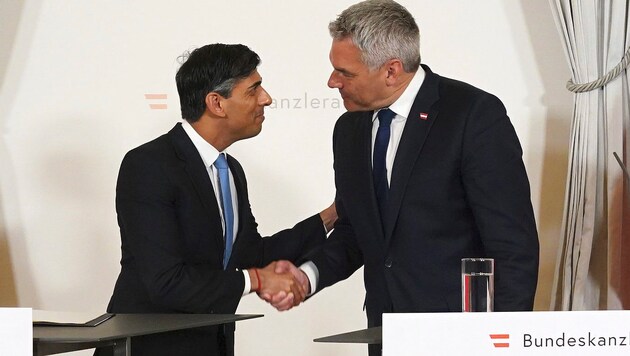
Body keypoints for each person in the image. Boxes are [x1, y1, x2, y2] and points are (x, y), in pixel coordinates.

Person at [270, 1, 539, 354]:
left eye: (344, 73)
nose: (332, 81)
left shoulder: (472, 116)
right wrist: (308, 275)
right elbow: (356, 230)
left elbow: (512, 246)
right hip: (386, 333)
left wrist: (503, 343)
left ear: (391, 71)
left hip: (461, 336)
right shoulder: (349, 129)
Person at [97, 43, 336, 356]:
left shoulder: (231, 170)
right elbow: (165, 281)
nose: (267, 99)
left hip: (210, 345)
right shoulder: (149, 165)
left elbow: (250, 254)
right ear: (217, 103)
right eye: (254, 90)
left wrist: (332, 216)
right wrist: (256, 280)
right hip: (149, 346)